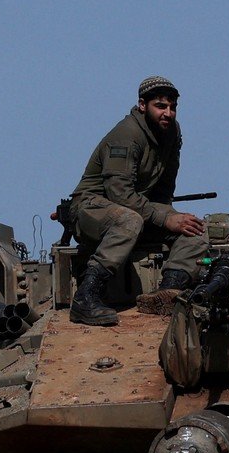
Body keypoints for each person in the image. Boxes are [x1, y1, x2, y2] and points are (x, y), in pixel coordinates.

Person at [66, 76, 208, 326]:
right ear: (143, 105)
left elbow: (164, 190)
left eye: (172, 107)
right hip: (92, 208)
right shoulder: (126, 135)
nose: (168, 113)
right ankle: (86, 297)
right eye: (161, 106)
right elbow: (118, 194)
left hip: (136, 210)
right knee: (129, 221)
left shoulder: (171, 133)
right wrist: (165, 218)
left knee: (195, 228)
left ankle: (165, 293)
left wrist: (172, 218)